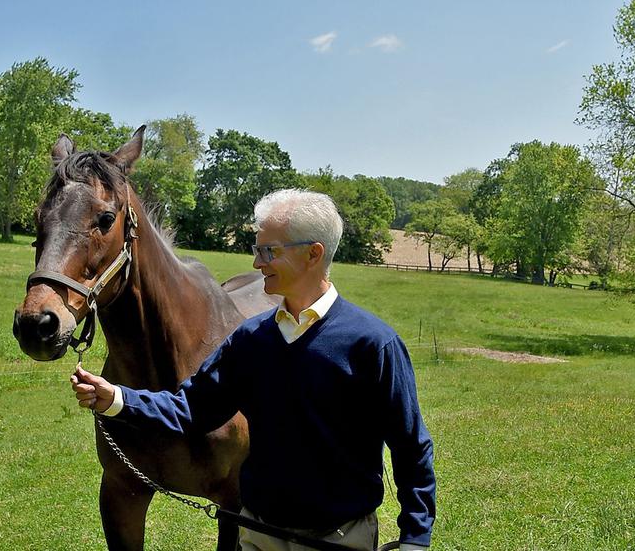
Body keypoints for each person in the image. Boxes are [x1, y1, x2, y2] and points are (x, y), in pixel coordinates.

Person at [72, 189, 436, 551]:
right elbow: (193, 408)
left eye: (268, 251)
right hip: (258, 535)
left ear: (314, 253)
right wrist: (117, 398)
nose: (257, 264)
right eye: (256, 250)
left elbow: (410, 446)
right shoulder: (251, 339)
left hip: (340, 539)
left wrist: (415, 539)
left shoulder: (372, 344)